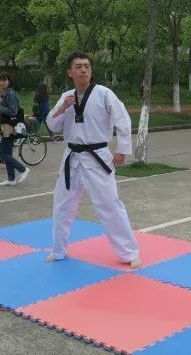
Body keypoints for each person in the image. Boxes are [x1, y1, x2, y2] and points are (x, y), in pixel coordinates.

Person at [45, 52, 141, 268]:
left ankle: (129, 252)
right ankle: (59, 250)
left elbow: (122, 120)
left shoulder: (104, 94)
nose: (83, 70)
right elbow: (51, 125)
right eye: (78, 67)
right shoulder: (66, 97)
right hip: (71, 157)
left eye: (87, 66)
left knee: (109, 204)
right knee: (62, 205)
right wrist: (63, 108)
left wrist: (122, 150)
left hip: (98, 156)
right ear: (69, 72)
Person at [0, 72, 30, 186]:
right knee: (7, 153)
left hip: (10, 126)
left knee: (2, 153)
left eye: (4, 80)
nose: (1, 82)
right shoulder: (4, 93)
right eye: (0, 80)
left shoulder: (10, 94)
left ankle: (23, 169)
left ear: (9, 81)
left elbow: (13, 111)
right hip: (6, 125)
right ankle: (11, 179)